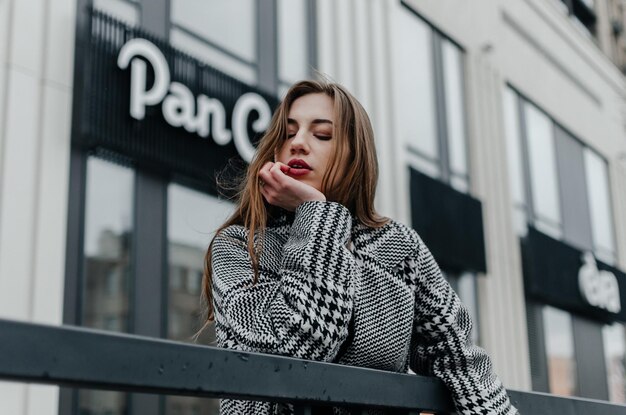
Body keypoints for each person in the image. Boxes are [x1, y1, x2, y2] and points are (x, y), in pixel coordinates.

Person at [202, 80, 520, 415]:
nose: (298, 143)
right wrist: (317, 212)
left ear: (356, 154)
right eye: (287, 133)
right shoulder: (240, 246)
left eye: (322, 134)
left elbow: (458, 356)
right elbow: (296, 350)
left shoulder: (398, 246)